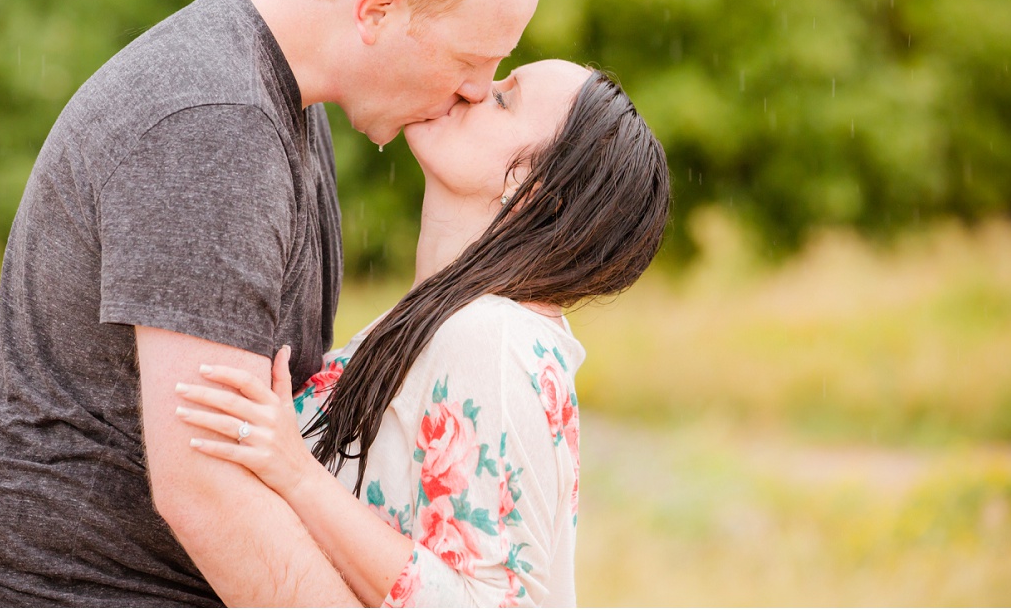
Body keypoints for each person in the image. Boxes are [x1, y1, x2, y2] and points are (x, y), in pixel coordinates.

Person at [0, 0, 544, 607]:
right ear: (377, 10)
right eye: (473, 59)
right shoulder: (218, 122)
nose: (475, 92)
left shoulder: (282, 108)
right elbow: (207, 486)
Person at [173, 60, 671, 606]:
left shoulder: (491, 338)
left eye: (503, 99)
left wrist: (298, 476)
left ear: (535, 191)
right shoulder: (443, 322)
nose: (474, 88)